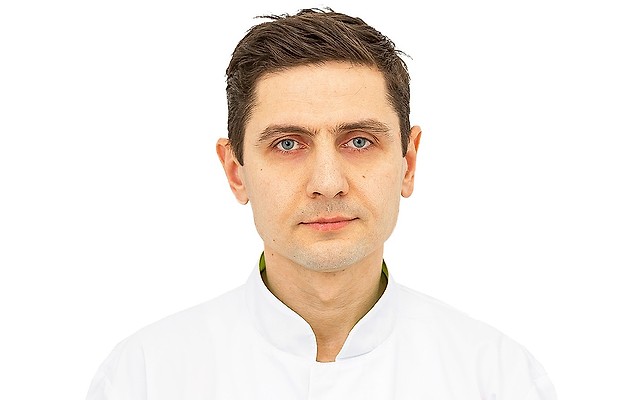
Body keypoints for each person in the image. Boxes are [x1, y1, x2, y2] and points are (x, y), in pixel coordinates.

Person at [86, 8, 556, 399]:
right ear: (235, 171)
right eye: (288, 144)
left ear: (408, 163)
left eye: (359, 141)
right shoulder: (144, 377)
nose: (328, 184)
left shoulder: (500, 380)